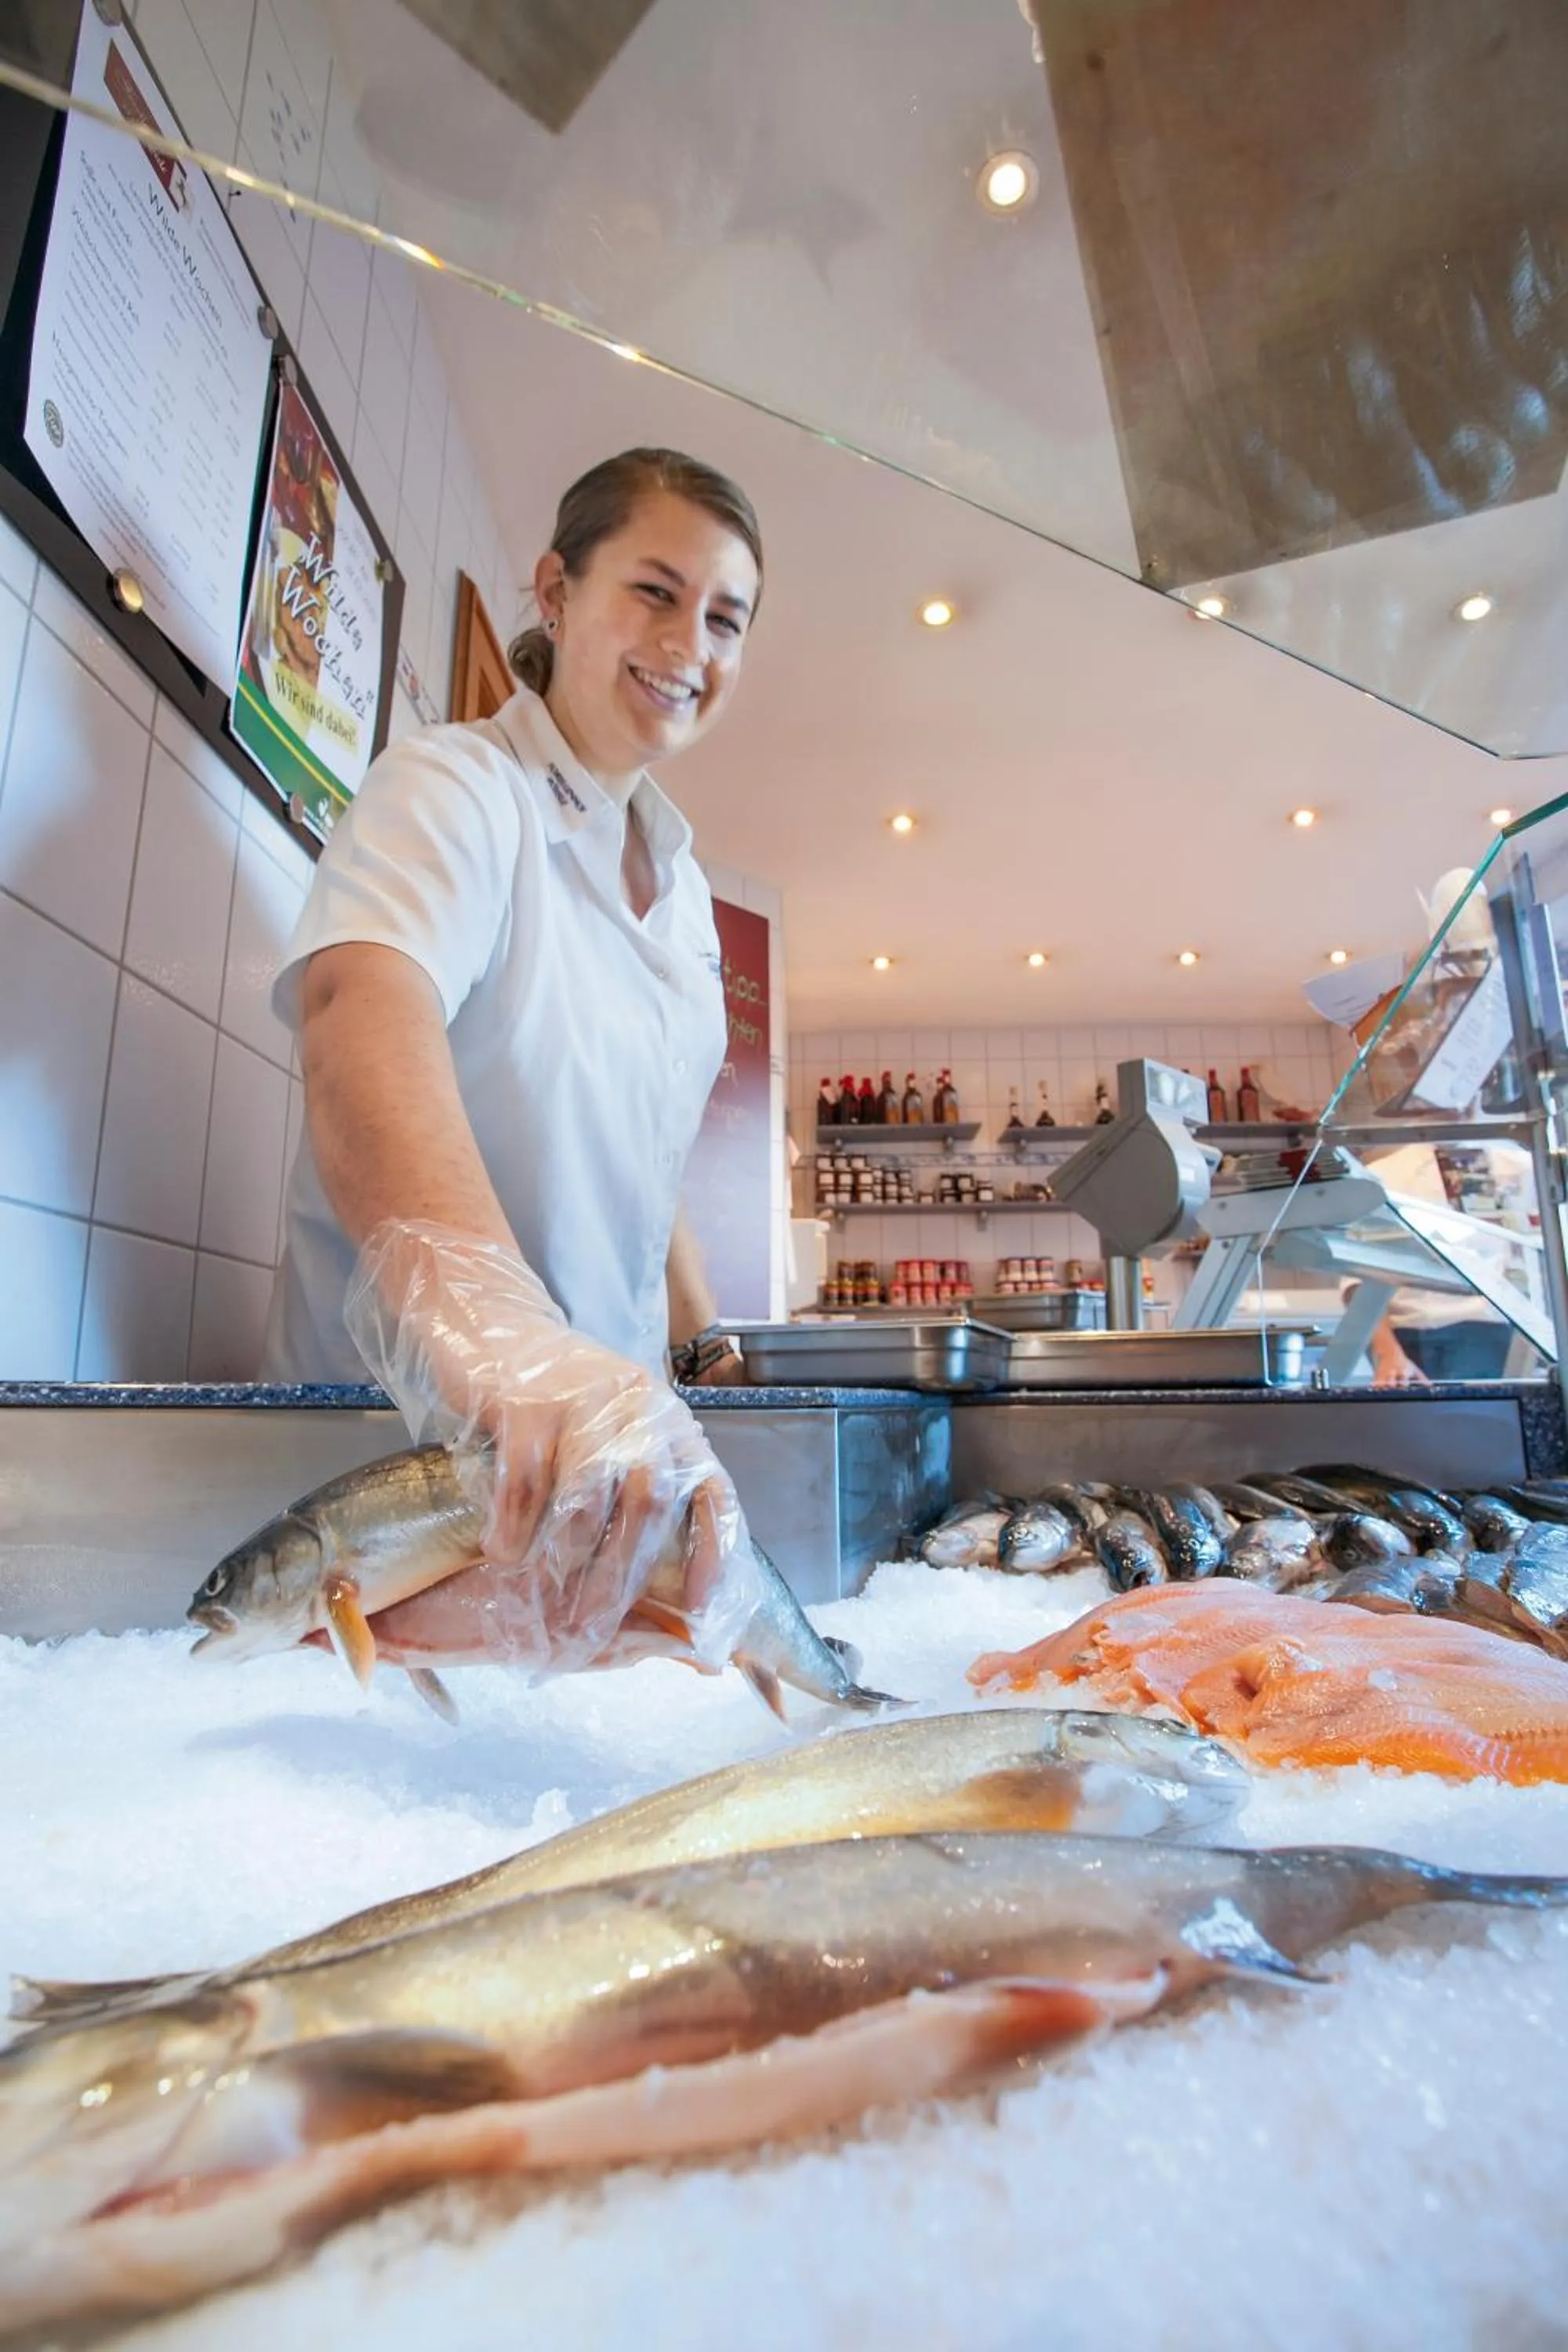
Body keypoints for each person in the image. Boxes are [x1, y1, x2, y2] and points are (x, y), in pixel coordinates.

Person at [260, 448, 763, 1671]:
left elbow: (641, 1153)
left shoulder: (687, 898)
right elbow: (358, 1015)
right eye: (654, 591)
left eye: (725, 618)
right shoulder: (453, 788)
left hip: (594, 1492)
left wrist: (703, 1343)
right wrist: (505, 1343)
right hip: (388, 1494)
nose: (688, 643)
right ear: (556, 591)